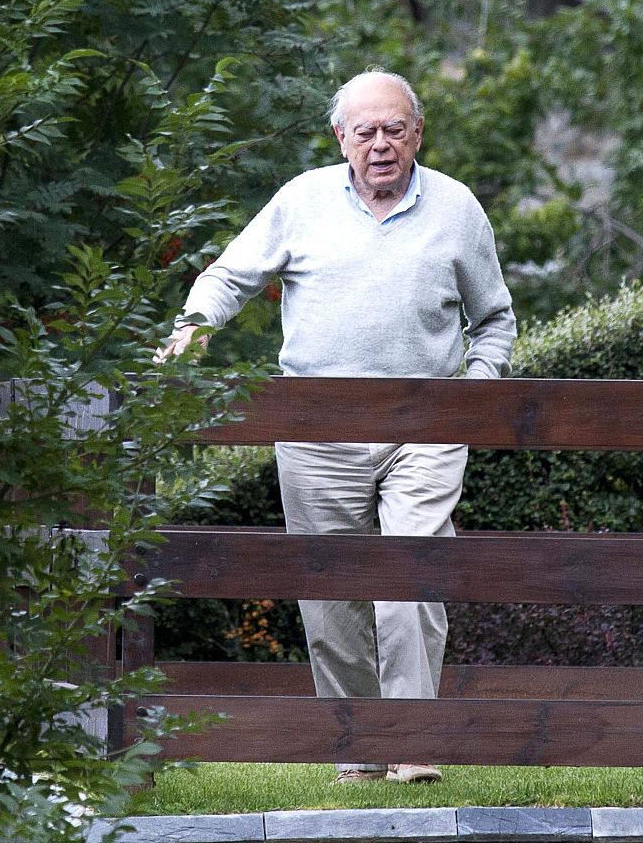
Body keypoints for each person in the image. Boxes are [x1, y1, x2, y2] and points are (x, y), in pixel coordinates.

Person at [157, 69, 516, 785]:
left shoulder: (457, 208)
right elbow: (227, 277)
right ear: (340, 139)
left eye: (395, 130)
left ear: (418, 133)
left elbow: (495, 320)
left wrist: (473, 397)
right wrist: (192, 329)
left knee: (413, 573)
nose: (381, 145)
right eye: (366, 132)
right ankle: (358, 743)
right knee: (330, 594)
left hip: (426, 426)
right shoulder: (301, 201)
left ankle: (414, 740)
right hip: (316, 429)